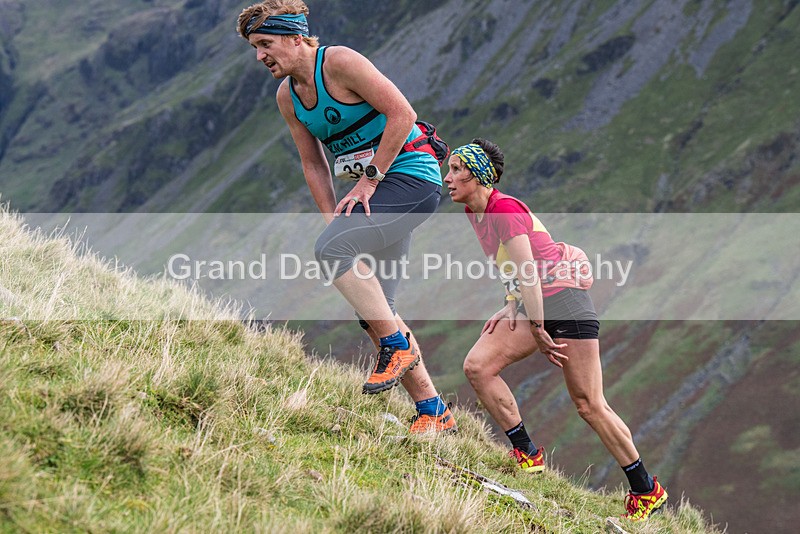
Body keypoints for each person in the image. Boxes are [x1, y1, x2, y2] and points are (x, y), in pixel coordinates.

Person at [236, 1, 455, 433]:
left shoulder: (339, 62)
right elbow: (313, 163)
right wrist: (330, 222)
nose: (260, 56)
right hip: (372, 196)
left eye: (265, 44)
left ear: (295, 38)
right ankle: (434, 413)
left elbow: (403, 114)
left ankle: (397, 347)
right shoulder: (288, 97)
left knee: (344, 267)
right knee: (375, 309)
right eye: (254, 48)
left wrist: (369, 180)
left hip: (412, 179)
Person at [444, 139, 667, 521]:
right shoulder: (474, 212)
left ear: (479, 176)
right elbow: (511, 267)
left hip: (564, 303)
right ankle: (527, 455)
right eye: (448, 169)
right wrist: (511, 306)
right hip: (537, 304)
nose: (447, 178)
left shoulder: (505, 209)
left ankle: (646, 490)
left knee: (589, 404)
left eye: (455, 170)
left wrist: (536, 322)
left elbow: (529, 269)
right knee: (478, 366)